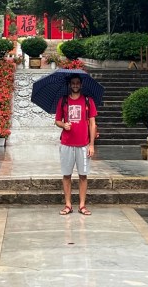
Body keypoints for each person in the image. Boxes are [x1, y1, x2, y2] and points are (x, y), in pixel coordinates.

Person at [55, 74, 97, 216]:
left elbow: (92, 123)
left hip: (83, 144)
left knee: (83, 175)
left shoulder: (88, 101)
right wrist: (63, 124)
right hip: (66, 143)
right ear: (69, 84)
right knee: (66, 175)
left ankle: (82, 205)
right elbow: (57, 121)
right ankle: (68, 205)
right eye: (72, 83)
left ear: (81, 84)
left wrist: (91, 145)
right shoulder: (63, 101)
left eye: (77, 83)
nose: (75, 85)